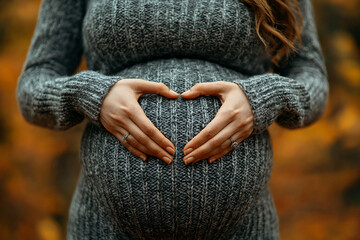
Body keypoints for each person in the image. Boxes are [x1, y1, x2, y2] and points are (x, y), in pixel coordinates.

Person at [16, 0, 328, 239]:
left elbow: (311, 78)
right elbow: (33, 85)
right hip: (104, 224)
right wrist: (93, 93)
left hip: (244, 226)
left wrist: (263, 97)